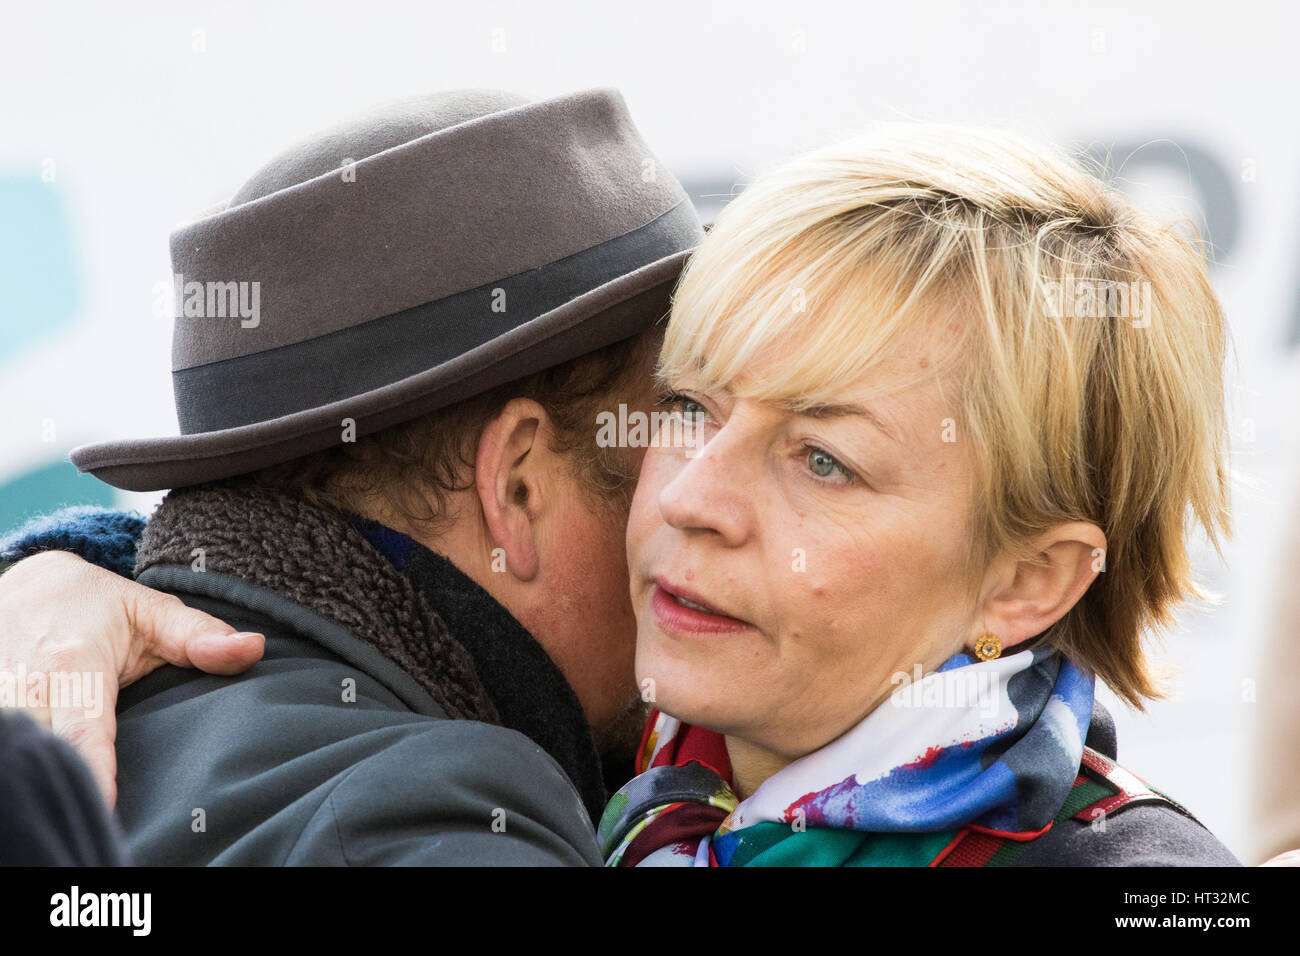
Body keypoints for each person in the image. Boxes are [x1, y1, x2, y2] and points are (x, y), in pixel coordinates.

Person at [0, 122, 1247, 867]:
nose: (696, 496)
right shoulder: (639, 763)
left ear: (1029, 577)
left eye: (823, 459)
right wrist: (73, 569)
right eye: (689, 411)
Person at [0, 86, 703, 865]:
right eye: (684, 422)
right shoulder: (432, 817)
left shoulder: (72, 707)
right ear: (518, 485)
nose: (715, 499)